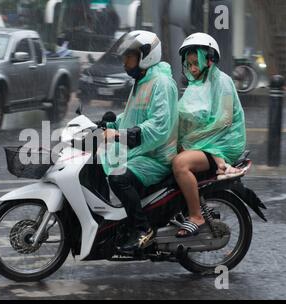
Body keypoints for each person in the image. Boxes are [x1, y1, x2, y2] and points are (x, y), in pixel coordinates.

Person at [99, 31, 178, 253]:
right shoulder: (143, 81)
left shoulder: (161, 83)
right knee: (97, 163)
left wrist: (120, 136)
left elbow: (159, 127)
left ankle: (144, 230)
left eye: (129, 56)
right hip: (143, 152)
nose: (125, 62)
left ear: (146, 55)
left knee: (118, 178)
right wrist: (110, 126)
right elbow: (132, 117)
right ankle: (120, 223)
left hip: (158, 156)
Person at [173, 33, 247, 237]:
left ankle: (196, 215)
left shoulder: (222, 82)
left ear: (210, 59)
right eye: (189, 64)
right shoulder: (196, 85)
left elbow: (224, 120)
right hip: (203, 142)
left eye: (196, 62)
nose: (192, 68)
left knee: (180, 164)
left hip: (223, 143)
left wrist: (190, 141)